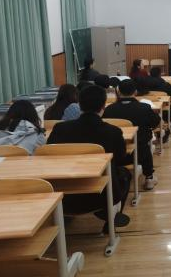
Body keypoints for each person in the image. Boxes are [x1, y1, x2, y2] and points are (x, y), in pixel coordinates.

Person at [47, 85, 132, 231]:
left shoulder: (60, 129)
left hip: (62, 197)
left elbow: (49, 156)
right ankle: (110, 218)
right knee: (124, 174)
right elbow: (120, 158)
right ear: (103, 106)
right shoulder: (113, 132)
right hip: (100, 197)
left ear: (79, 104)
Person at [103, 79, 160, 190]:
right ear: (135, 92)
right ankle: (149, 177)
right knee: (144, 143)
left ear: (118, 92)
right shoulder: (144, 107)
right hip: (140, 154)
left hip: (116, 154)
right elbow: (155, 122)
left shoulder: (109, 110)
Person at [146, 66, 171, 134]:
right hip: (163, 108)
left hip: (148, 108)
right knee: (169, 106)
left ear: (150, 73)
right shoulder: (164, 84)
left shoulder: (144, 84)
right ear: (160, 74)